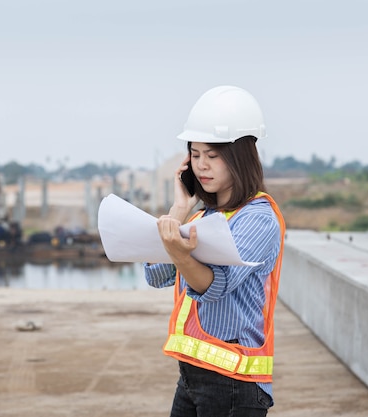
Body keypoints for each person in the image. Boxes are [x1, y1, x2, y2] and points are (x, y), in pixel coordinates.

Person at [144, 85, 286, 417]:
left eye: (213, 155)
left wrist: (180, 253)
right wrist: (179, 208)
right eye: (195, 155)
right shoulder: (201, 217)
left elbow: (213, 286)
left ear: (238, 157)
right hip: (191, 376)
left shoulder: (258, 219)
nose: (202, 166)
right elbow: (156, 275)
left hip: (234, 383)